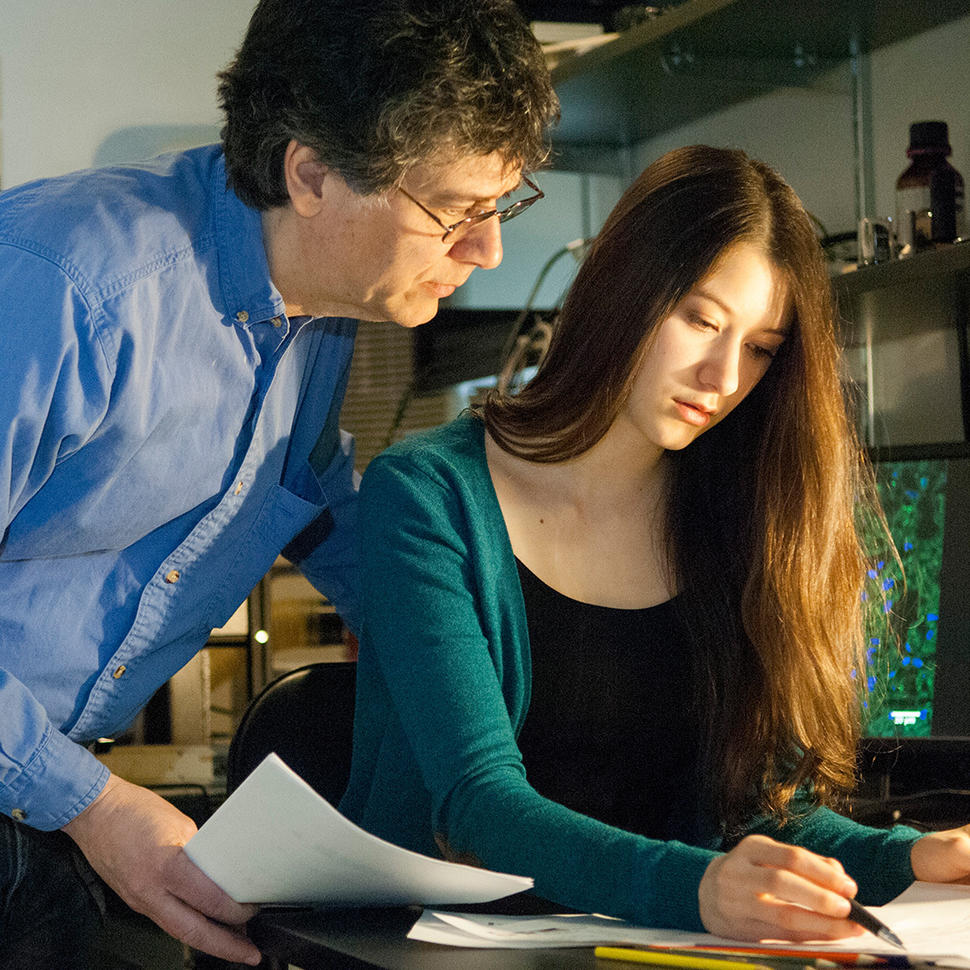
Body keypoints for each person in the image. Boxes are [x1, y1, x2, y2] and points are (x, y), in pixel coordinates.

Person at [0, 0, 557, 964]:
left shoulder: (319, 325)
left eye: (503, 206)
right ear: (311, 173)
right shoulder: (66, 288)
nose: (489, 250)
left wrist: (493, 655)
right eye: (456, 211)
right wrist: (90, 802)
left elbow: (316, 501)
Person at [341, 145, 970, 941]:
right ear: (624, 291)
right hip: (436, 947)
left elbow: (762, 814)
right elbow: (477, 804)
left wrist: (912, 859)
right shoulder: (427, 494)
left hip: (653, 946)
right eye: (702, 320)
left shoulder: (738, 514)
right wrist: (698, 887)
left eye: (760, 348)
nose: (722, 376)